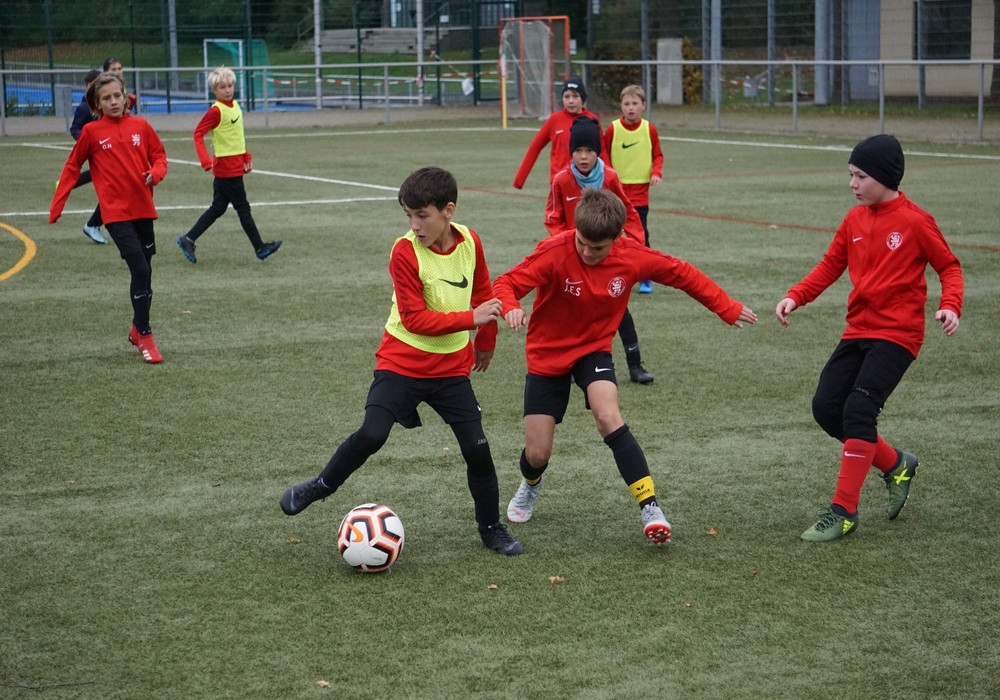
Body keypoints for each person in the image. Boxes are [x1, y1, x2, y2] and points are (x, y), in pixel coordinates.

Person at [279, 167, 523, 557]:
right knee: (372, 435)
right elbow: (414, 320)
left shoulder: (470, 241)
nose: (414, 225)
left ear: (448, 211)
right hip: (401, 363)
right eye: (408, 215)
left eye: (422, 215)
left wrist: (486, 339)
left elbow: (482, 291)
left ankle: (491, 528)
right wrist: (471, 320)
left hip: (450, 369)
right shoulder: (404, 251)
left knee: (478, 449)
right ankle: (320, 486)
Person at [493, 188, 757, 545]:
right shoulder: (555, 250)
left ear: (617, 237)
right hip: (547, 353)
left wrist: (725, 306)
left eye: (597, 248)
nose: (587, 252)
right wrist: (510, 305)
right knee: (538, 453)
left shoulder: (632, 256)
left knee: (608, 417)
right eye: (582, 243)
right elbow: (506, 282)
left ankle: (651, 508)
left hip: (593, 350)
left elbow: (681, 273)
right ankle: (530, 483)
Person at [775, 134, 964, 542]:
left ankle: (843, 511)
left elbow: (949, 266)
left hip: (898, 334)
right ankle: (896, 464)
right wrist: (796, 295)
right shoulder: (854, 219)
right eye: (851, 175)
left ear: (884, 177)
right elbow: (831, 264)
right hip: (858, 329)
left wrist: (951, 304)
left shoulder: (916, 221)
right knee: (827, 408)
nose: (852, 184)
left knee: (859, 409)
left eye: (860, 176)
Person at [50, 71, 168, 364]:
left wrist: (155, 174)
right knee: (139, 269)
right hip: (115, 214)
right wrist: (57, 205)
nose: (114, 101)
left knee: (146, 273)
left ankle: (136, 328)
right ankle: (146, 335)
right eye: (106, 98)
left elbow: (159, 156)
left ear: (125, 97)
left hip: (144, 209)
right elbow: (72, 166)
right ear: (97, 104)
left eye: (117, 95)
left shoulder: (141, 126)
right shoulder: (91, 132)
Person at [546, 115, 654, 385]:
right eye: (578, 151)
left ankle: (635, 365)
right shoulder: (561, 180)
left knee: (619, 310)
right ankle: (571, 366)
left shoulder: (610, 177)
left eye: (589, 151)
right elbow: (553, 218)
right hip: (575, 259)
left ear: (598, 152)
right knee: (573, 314)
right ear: (571, 152)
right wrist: (567, 245)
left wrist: (636, 243)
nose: (583, 157)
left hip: (606, 258)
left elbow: (628, 212)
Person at [176, 66, 282, 264]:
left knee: (218, 208)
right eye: (222, 87)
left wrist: (246, 156)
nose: (227, 90)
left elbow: (236, 137)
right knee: (243, 209)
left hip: (234, 166)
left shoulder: (235, 106)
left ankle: (188, 239)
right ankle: (260, 248)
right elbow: (198, 134)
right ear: (214, 90)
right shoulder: (216, 111)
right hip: (226, 169)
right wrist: (205, 161)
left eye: (230, 85)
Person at [602, 84, 663, 294]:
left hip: (640, 194)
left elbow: (658, 155)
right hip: (616, 193)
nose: (630, 107)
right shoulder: (613, 129)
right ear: (621, 105)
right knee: (611, 234)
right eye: (626, 103)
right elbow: (604, 154)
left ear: (643, 105)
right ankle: (609, 273)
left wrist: (656, 172)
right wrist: (609, 175)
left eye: (635, 103)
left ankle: (645, 277)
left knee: (640, 235)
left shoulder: (649, 129)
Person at [512, 76, 599, 189]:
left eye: (575, 96)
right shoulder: (554, 120)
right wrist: (519, 180)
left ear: (582, 98)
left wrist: (608, 179)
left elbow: (601, 152)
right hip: (559, 182)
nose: (571, 100)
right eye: (567, 96)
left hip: (586, 182)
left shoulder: (592, 119)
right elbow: (535, 147)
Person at [68, 68, 106, 244]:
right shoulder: (84, 108)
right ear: (87, 86)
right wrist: (85, 141)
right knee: (114, 191)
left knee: (114, 189)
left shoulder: (104, 106)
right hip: (98, 155)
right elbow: (75, 128)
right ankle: (93, 224)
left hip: (108, 153)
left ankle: (68, 183)